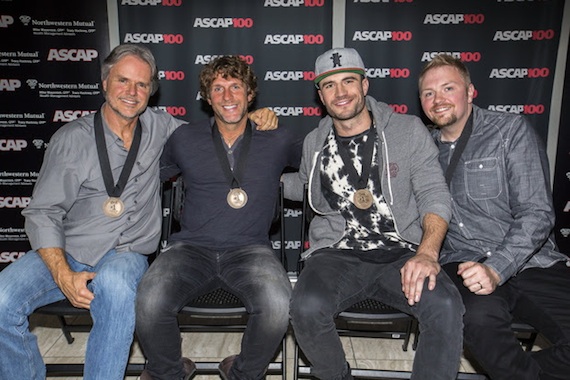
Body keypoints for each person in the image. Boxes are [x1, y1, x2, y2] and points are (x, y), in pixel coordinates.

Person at [0, 44, 276, 380]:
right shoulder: (71, 138)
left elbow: (220, 129)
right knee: (1, 300)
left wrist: (252, 116)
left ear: (151, 91)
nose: (132, 92)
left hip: (125, 252)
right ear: (104, 83)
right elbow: (42, 212)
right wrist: (61, 273)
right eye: (123, 81)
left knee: (116, 291)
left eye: (142, 85)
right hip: (67, 248)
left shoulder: (164, 129)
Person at [281, 47, 464, 380]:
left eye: (348, 81)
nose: (341, 92)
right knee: (305, 308)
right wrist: (255, 176)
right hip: (338, 254)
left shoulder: (407, 130)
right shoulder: (314, 142)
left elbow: (434, 194)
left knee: (445, 306)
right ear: (320, 95)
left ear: (365, 85)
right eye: (329, 85)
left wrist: (427, 252)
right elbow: (302, 186)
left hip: (402, 253)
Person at [135, 55, 302, 380]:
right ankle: (170, 371)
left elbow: (315, 169)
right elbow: (149, 178)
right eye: (218, 88)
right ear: (207, 97)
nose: (227, 97)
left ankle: (240, 372)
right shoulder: (185, 138)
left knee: (277, 305)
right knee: (149, 301)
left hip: (250, 249)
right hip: (190, 249)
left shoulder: (278, 138)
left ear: (250, 94)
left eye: (235, 87)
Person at [418, 53, 570, 380]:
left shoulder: (509, 130)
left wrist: (497, 268)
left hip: (531, 260)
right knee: (477, 321)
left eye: (448, 88)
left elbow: (537, 213)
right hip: (463, 262)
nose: (438, 99)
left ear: (471, 92)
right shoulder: (423, 149)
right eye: (428, 93)